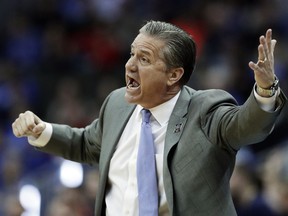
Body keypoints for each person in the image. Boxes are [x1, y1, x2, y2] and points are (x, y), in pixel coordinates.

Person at [12, 20, 286, 216]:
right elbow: (88, 144)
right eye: (132, 53)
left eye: (144, 59)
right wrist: (42, 130)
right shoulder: (116, 103)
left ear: (173, 75)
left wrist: (265, 89)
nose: (130, 64)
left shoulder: (206, 109)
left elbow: (247, 126)